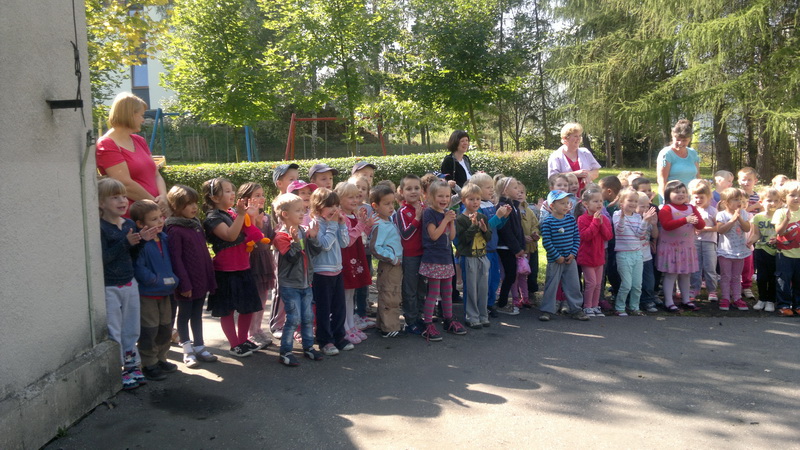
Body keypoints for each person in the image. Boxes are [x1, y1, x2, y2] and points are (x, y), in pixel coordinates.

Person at [201, 177, 265, 357]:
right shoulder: (213, 218)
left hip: (243, 267)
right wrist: (242, 215)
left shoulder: (233, 213)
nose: (232, 194)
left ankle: (243, 340)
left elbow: (249, 233)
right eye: (227, 191)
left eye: (232, 190)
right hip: (225, 271)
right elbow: (230, 235)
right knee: (227, 310)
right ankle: (235, 344)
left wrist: (252, 217)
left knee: (248, 307)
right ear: (214, 197)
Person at [98, 178, 146, 390]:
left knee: (132, 327)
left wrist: (141, 241)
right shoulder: (100, 227)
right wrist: (125, 243)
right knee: (114, 329)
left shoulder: (128, 224)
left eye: (124, 196)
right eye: (115, 197)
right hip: (110, 286)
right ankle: (119, 370)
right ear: (100, 202)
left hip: (129, 282)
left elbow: (132, 255)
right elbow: (103, 258)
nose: (122, 201)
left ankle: (132, 364)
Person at [165, 184, 218, 368]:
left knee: (197, 315)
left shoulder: (195, 225)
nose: (194, 207)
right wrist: (184, 284)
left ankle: (200, 346)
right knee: (184, 315)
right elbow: (176, 260)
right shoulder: (174, 229)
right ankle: (187, 350)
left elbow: (204, 254)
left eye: (195, 202)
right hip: (186, 283)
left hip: (200, 280)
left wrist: (210, 278)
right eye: (188, 204)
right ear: (176, 206)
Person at [271, 193, 325, 366]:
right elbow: (292, 258)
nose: (303, 213)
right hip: (290, 285)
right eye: (298, 210)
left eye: (303, 210)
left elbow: (315, 252)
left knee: (308, 316)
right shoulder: (281, 236)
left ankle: (308, 347)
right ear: (285, 214)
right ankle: (285, 351)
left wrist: (313, 237)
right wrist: (295, 242)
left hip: (306, 282)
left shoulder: (303, 231)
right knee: (294, 318)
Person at [96, 92, 168, 217]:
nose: (143, 120)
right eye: (141, 115)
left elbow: (156, 174)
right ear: (129, 115)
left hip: (154, 214)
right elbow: (124, 184)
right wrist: (155, 206)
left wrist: (163, 196)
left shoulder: (139, 140)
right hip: (133, 216)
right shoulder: (106, 144)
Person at [130, 200, 179, 380]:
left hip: (166, 291)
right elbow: (138, 266)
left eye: (160, 217)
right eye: (153, 219)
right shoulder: (141, 243)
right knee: (149, 329)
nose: (160, 222)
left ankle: (161, 357)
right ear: (140, 224)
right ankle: (149, 362)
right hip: (148, 293)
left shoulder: (164, 239)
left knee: (165, 327)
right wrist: (153, 280)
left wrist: (174, 279)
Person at [308, 187, 354, 355]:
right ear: (318, 208)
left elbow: (344, 243)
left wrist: (341, 225)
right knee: (324, 309)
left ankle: (339, 337)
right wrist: (333, 225)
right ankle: (325, 340)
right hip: (321, 273)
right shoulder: (315, 224)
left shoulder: (334, 222)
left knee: (339, 307)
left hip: (337, 271)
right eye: (330, 206)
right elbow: (325, 245)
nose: (334, 209)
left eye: (336, 205)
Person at [420, 180, 467, 341]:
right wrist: (446, 220)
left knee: (448, 292)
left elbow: (452, 237)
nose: (444, 199)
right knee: (433, 292)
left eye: (447, 196)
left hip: (446, 258)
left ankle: (448, 320)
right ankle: (427, 324)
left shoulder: (446, 212)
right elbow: (433, 235)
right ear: (431, 197)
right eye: (440, 196)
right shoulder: (429, 213)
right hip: (434, 259)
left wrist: (451, 222)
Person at [538, 190, 589, 322]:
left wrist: (573, 254)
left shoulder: (570, 220)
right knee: (551, 286)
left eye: (567, 203)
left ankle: (576, 309)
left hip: (570, 260)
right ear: (552, 206)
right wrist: (557, 256)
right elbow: (547, 242)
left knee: (573, 285)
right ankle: (547, 310)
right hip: (555, 261)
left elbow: (576, 237)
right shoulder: (548, 222)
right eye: (562, 203)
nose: (566, 206)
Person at [237, 182, 276, 349]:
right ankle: (250, 332)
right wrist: (254, 221)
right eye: (257, 196)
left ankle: (257, 328)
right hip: (251, 260)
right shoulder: (243, 216)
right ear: (246, 199)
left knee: (263, 295)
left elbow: (270, 238)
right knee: (253, 296)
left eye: (262, 195)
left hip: (264, 258)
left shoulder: (265, 216)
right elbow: (249, 238)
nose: (262, 198)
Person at [657, 180, 705, 312]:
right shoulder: (666, 209)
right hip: (671, 249)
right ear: (668, 194)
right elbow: (667, 225)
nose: (681, 194)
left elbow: (701, 224)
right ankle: (668, 301)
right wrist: (685, 220)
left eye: (683, 192)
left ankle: (686, 299)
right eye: (677, 192)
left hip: (687, 248)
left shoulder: (691, 208)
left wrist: (696, 221)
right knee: (671, 274)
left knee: (686, 274)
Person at [334, 182, 373, 344]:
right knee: (345, 295)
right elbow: (348, 241)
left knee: (351, 294)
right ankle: (344, 327)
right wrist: (362, 225)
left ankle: (350, 325)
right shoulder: (342, 217)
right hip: (346, 257)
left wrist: (366, 225)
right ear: (339, 199)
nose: (355, 200)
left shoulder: (354, 215)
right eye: (350, 197)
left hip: (355, 256)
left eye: (356, 197)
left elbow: (361, 234)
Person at [469, 173, 510, 317]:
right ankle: (482, 305)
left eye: (492, 187)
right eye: (488, 187)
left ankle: (490, 304)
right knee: (483, 281)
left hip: (493, 250)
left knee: (494, 280)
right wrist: (498, 216)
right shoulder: (478, 207)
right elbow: (484, 228)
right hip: (483, 250)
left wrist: (504, 217)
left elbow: (497, 226)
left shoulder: (491, 205)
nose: (492, 190)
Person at [369, 184, 405, 338]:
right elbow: (375, 247)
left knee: (391, 294)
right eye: (386, 204)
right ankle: (389, 327)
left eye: (392, 203)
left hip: (394, 265)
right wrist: (393, 258)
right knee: (390, 296)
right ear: (375, 206)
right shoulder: (380, 225)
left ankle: (382, 324)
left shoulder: (388, 221)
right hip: (390, 266)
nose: (391, 207)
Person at [268, 164, 299, 339]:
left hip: (295, 247)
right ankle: (276, 324)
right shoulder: (278, 203)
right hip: (280, 250)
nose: (295, 182)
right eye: (291, 179)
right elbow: (275, 229)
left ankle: (290, 321)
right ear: (279, 183)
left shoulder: (296, 201)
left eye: (297, 178)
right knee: (280, 287)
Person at [455, 183, 492, 328]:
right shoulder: (460, 219)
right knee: (471, 288)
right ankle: (472, 316)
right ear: (463, 201)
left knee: (483, 288)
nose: (475, 202)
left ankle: (483, 315)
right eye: (471, 199)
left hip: (482, 256)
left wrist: (484, 229)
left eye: (478, 199)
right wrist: (473, 226)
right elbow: (463, 240)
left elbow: (488, 238)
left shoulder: (483, 216)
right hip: (469, 257)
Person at [612, 189, 653, 316]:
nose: (633, 203)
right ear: (621, 202)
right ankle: (619, 307)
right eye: (630, 200)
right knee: (626, 284)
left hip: (637, 254)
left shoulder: (637, 216)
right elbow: (619, 231)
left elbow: (640, 234)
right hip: (623, 255)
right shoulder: (617, 214)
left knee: (637, 285)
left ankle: (634, 307)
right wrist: (622, 218)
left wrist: (645, 220)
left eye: (635, 201)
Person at [396, 175, 427, 335]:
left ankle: (419, 317)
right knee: (410, 289)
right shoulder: (402, 211)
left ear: (421, 190)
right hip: (410, 256)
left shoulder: (424, 207)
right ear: (401, 192)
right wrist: (417, 218)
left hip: (425, 254)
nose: (413, 191)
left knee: (422, 288)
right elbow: (405, 234)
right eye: (409, 189)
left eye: (416, 188)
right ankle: (410, 321)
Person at [577, 188, 612, 317]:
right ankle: (587, 306)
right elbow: (585, 236)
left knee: (598, 284)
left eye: (601, 201)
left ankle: (595, 305)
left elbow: (608, 236)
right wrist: (595, 222)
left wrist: (601, 223)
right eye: (595, 201)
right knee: (591, 283)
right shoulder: (582, 219)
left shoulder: (604, 219)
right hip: (587, 257)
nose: (599, 204)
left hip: (599, 257)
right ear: (586, 204)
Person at [716, 188, 752, 311]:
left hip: (740, 251)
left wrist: (739, 218)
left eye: (740, 199)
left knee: (737, 276)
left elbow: (747, 228)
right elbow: (720, 230)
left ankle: (737, 298)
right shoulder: (721, 215)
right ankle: (725, 298)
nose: (739, 202)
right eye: (736, 200)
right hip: (725, 251)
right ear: (726, 202)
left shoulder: (743, 213)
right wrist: (732, 220)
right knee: (726, 276)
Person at [494, 177, 526, 315]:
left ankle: (501, 302)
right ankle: (502, 303)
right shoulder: (504, 206)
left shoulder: (514, 206)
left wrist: (521, 246)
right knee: (510, 275)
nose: (518, 190)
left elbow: (519, 229)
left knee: (511, 275)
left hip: (512, 247)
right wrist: (516, 248)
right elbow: (505, 230)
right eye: (514, 188)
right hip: (505, 247)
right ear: (505, 191)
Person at [749, 187, 780, 312]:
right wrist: (750, 241)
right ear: (761, 202)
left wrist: (777, 239)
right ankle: (762, 299)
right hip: (761, 250)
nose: (773, 203)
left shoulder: (781, 216)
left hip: (776, 251)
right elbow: (756, 234)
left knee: (773, 277)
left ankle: (770, 300)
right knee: (761, 276)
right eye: (769, 200)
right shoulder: (758, 217)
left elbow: (783, 233)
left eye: (776, 200)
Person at [547, 122, 601, 193]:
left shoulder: (585, 152)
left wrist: (589, 175)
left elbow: (596, 171)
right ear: (565, 138)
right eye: (575, 136)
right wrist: (575, 174)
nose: (578, 139)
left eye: (580, 136)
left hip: (586, 195)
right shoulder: (555, 156)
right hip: (565, 197)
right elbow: (552, 177)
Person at [688, 179, 719, 302]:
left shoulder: (712, 211)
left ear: (708, 197)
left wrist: (704, 229)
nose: (698, 200)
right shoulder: (692, 210)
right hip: (694, 242)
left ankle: (712, 290)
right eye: (696, 197)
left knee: (710, 267)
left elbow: (718, 227)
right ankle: (694, 288)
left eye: (701, 197)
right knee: (695, 267)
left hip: (709, 242)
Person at [656, 119, 700, 200]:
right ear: (673, 137)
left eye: (684, 140)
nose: (680, 143)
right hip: (674, 198)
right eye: (678, 139)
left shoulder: (693, 153)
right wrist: (665, 200)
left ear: (689, 139)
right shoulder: (666, 154)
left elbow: (698, 177)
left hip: (692, 198)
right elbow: (662, 180)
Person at [737, 167, 761, 300]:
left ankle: (747, 283)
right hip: (737, 230)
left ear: (755, 181)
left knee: (750, 258)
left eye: (749, 180)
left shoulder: (758, 196)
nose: (746, 182)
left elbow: (762, 210)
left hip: (753, 230)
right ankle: (736, 285)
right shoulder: (736, 194)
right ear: (738, 180)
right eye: (743, 179)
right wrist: (753, 207)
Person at [636, 192, 661, 313]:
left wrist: (654, 225)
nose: (645, 209)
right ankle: (635, 301)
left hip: (647, 256)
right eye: (642, 206)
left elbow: (655, 235)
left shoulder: (649, 220)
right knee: (636, 282)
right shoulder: (634, 219)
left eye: (647, 206)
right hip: (634, 256)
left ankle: (647, 300)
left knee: (649, 281)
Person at [516, 182, 539, 308]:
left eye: (522, 192)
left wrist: (535, 233)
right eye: (517, 192)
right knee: (517, 273)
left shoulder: (529, 211)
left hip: (530, 248)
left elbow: (535, 225)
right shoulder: (512, 210)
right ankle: (516, 296)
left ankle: (527, 295)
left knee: (528, 271)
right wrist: (522, 237)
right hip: (518, 247)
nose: (520, 194)